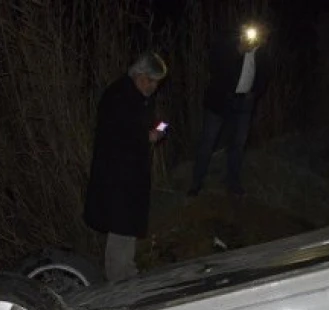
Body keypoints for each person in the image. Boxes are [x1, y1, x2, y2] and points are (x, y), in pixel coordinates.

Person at [82, 52, 168, 282]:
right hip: (117, 177)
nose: (153, 86)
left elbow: (141, 124)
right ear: (139, 75)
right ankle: (121, 281)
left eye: (156, 82)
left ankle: (126, 273)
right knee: (121, 227)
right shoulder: (118, 96)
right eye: (150, 81)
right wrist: (147, 136)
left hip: (130, 175)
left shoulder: (138, 97)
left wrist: (157, 128)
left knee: (126, 229)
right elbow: (116, 135)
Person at [188, 22, 271, 197]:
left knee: (238, 144)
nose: (257, 38)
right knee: (208, 142)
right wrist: (239, 50)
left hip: (244, 103)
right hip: (220, 101)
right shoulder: (228, 45)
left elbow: (265, 76)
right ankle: (196, 183)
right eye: (255, 34)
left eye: (261, 35)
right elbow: (216, 68)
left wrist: (255, 93)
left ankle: (233, 183)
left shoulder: (263, 54)